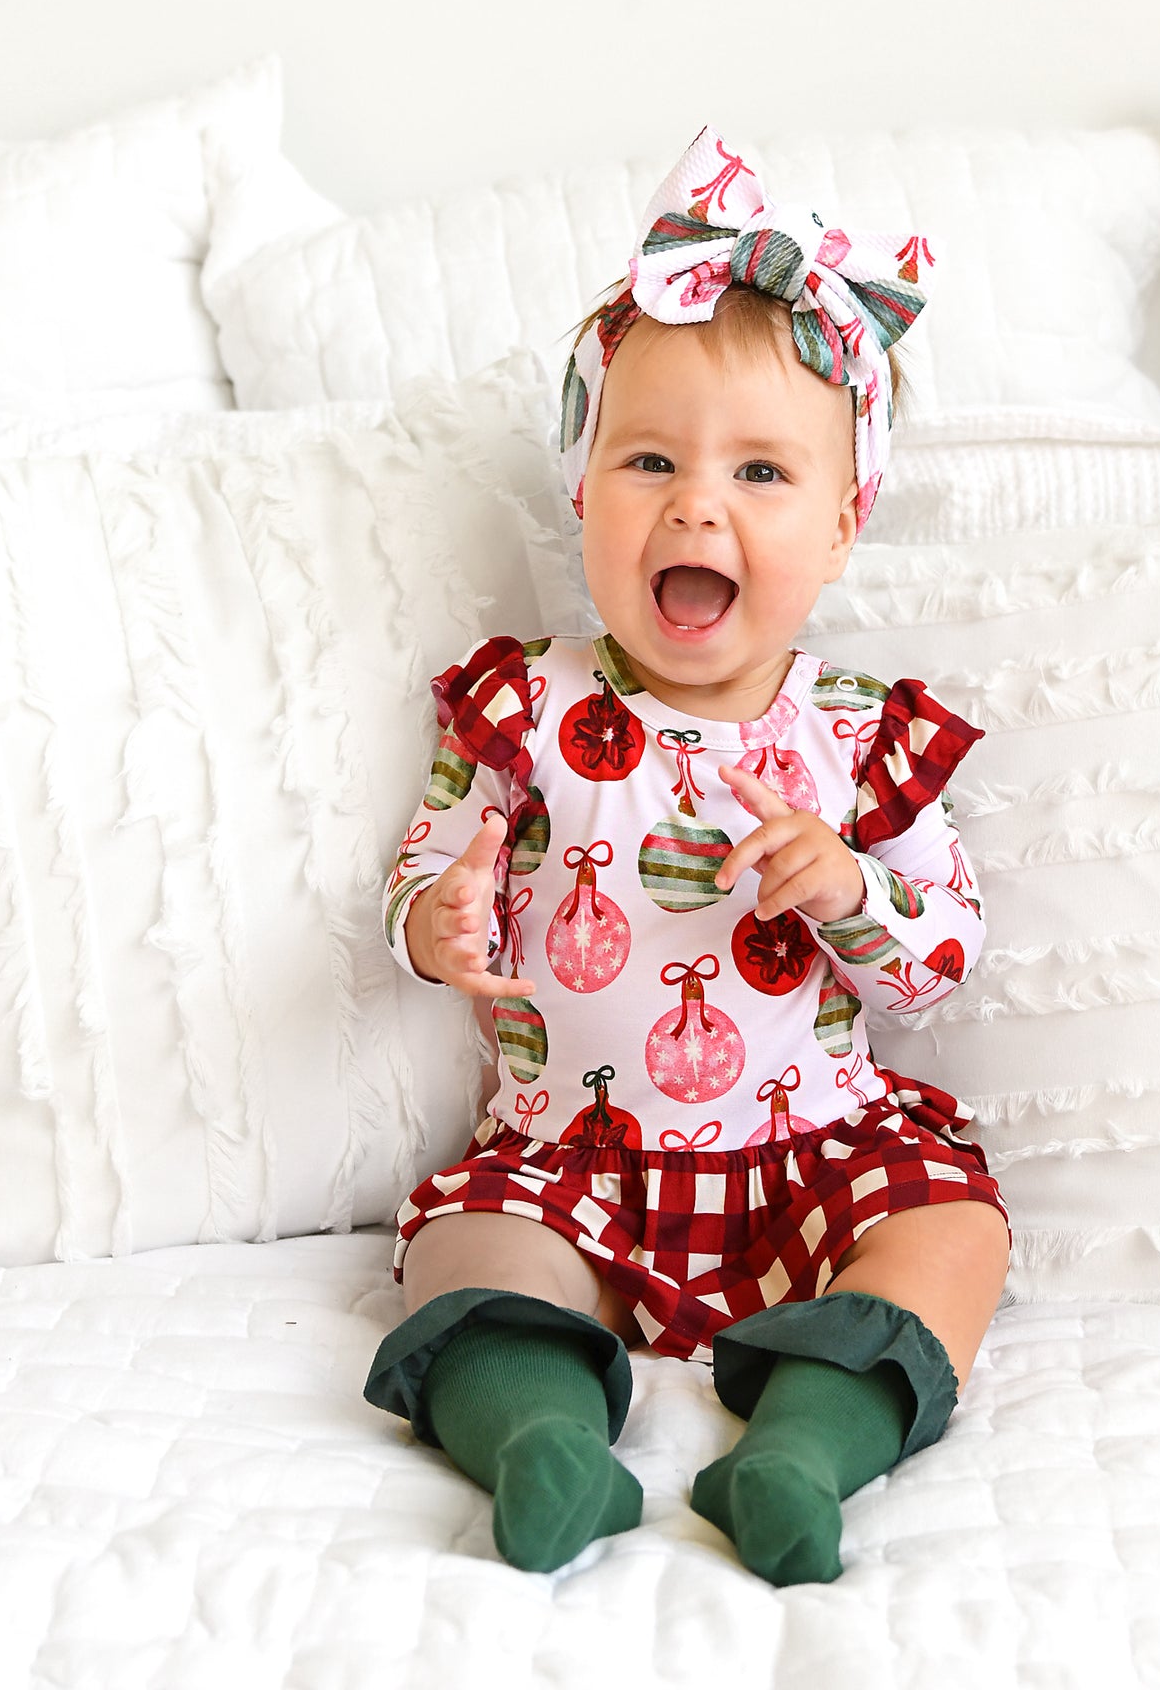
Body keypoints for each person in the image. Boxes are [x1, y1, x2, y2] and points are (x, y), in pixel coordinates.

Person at [363, 129, 1011, 1586]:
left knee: (954, 1231)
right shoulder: (526, 710)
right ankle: (543, 1439)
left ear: (842, 526)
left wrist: (852, 890)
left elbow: (945, 948)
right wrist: (438, 920)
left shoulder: (860, 737)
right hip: (571, 1155)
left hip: (815, 1154)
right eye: (648, 459)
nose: (696, 504)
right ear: (581, 492)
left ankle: (805, 1445)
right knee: (465, 1253)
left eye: (762, 471)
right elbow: (426, 863)